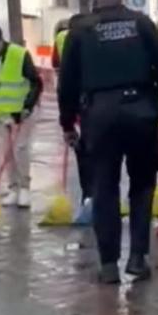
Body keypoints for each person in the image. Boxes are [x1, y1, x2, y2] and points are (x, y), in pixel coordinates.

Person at [58, 0, 158, 285]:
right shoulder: (141, 24)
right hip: (141, 111)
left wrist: (67, 123)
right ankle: (138, 259)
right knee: (142, 187)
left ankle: (109, 265)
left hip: (99, 116)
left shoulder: (80, 30)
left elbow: (67, 83)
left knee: (104, 189)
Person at [0, 23, 43, 208]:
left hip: (22, 112)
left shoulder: (19, 54)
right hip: (0, 113)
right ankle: (13, 188)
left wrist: (27, 106)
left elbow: (36, 83)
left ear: (1, 41)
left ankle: (25, 189)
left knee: (20, 149)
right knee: (5, 153)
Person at [53, 16, 92, 206]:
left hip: (74, 100)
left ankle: (88, 196)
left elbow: (57, 68)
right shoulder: (93, 36)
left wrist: (66, 124)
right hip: (94, 101)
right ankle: (102, 196)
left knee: (82, 150)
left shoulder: (61, 38)